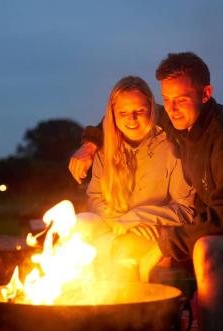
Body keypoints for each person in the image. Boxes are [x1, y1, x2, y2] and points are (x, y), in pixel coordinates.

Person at [69, 52, 223, 331]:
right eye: (167, 99)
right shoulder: (180, 119)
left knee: (205, 249)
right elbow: (122, 112)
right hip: (222, 222)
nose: (172, 109)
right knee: (113, 243)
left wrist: (164, 244)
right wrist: (90, 144)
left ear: (205, 94)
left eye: (181, 99)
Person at [75, 75, 194, 283]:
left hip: (156, 231)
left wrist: (138, 217)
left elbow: (185, 210)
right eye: (123, 112)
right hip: (114, 225)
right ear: (113, 114)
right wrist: (115, 221)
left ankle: (128, 307)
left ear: (152, 109)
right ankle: (82, 303)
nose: (131, 118)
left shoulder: (172, 146)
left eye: (139, 111)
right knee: (79, 225)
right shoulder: (105, 149)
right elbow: (95, 196)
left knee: (120, 252)